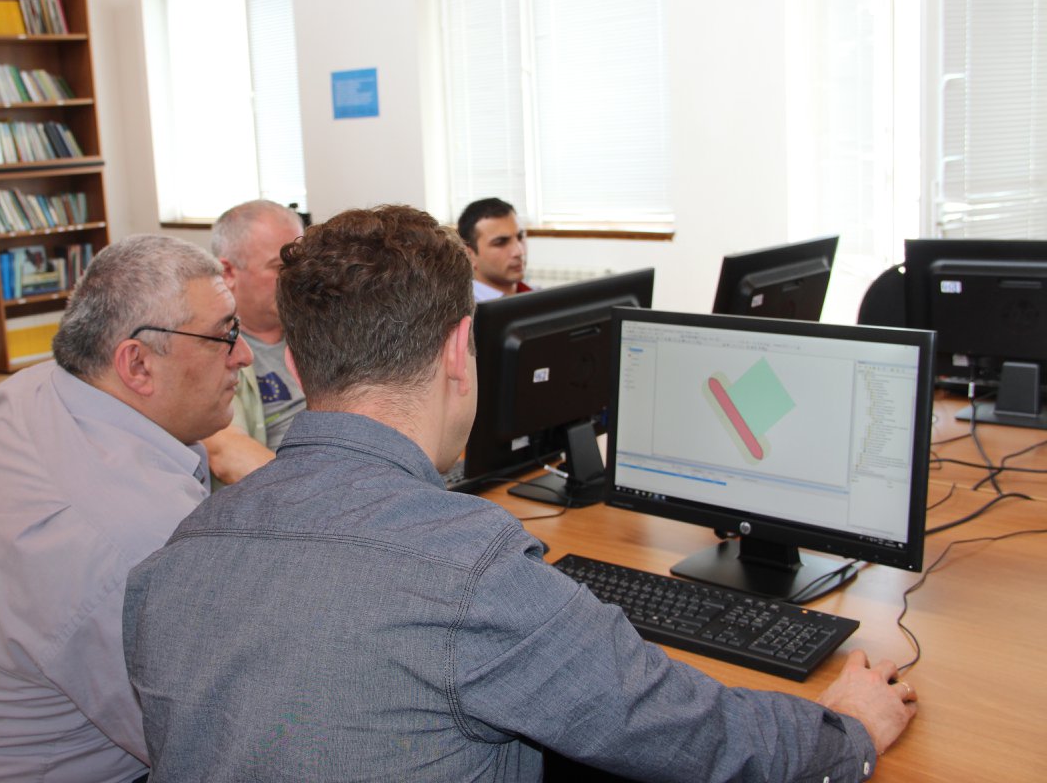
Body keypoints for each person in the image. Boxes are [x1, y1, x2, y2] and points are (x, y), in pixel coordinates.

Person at [123, 205, 916, 782]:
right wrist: (846, 731)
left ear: (298, 362)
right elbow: (696, 735)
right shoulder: (470, 571)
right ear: (458, 350)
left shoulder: (171, 560)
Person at [0, 235, 252, 782]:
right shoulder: (131, 542)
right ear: (137, 364)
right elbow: (210, 745)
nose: (243, 355)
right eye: (224, 335)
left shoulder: (33, 391)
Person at [202, 200, 307, 484]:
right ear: (228, 272)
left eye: (301, 263)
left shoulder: (319, 327)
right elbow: (226, 452)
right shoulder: (206, 350)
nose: (298, 278)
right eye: (279, 266)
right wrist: (317, 496)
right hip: (290, 494)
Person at [457, 196, 532, 301]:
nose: (519, 252)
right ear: (470, 255)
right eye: (501, 242)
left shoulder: (541, 297)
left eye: (520, 237)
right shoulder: (460, 310)